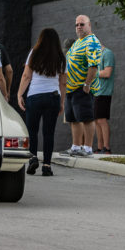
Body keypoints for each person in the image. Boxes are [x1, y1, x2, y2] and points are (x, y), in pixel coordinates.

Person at [16, 28, 66, 177]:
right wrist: (62, 102)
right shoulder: (61, 57)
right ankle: (47, 166)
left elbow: (26, 76)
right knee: (48, 133)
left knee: (32, 130)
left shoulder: (34, 53)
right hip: (53, 97)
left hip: (35, 96)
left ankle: (32, 159)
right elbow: (63, 83)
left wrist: (19, 94)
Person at [62, 15, 101, 157]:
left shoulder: (92, 41)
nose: (79, 27)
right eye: (77, 24)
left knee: (87, 118)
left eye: (82, 24)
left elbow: (94, 65)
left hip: (82, 87)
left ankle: (88, 148)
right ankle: (76, 147)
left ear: (89, 25)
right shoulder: (78, 42)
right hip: (71, 87)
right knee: (73, 119)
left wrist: (87, 84)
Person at [94, 45, 115, 153]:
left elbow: (107, 73)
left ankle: (107, 148)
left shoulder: (107, 53)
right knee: (96, 121)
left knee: (102, 119)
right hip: (95, 91)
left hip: (104, 92)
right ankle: (99, 147)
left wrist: (92, 73)